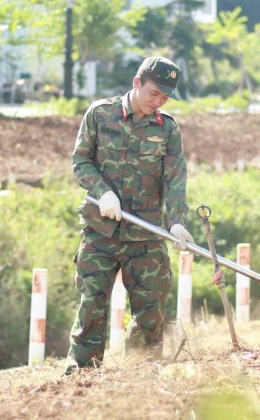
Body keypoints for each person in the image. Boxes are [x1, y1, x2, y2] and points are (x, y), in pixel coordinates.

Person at [67, 56, 195, 372]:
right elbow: (81, 162)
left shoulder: (167, 130)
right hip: (102, 230)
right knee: (92, 305)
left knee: (151, 309)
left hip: (146, 234)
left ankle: (140, 370)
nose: (158, 101)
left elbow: (175, 180)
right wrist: (103, 191)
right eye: (154, 93)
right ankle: (82, 373)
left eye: (165, 97)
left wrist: (177, 221)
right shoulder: (100, 114)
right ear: (137, 83)